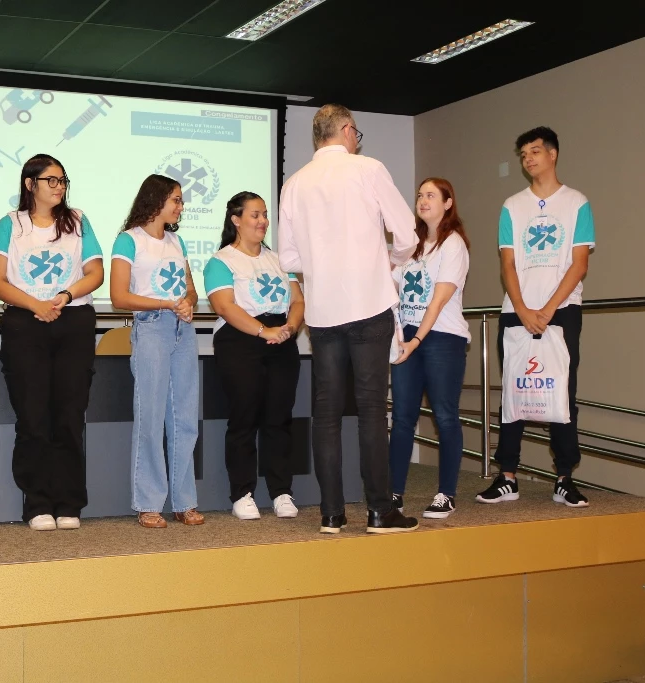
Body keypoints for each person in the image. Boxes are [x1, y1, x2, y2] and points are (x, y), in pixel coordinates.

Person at [278, 103, 420, 534]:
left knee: (326, 413)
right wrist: (390, 260)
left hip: (323, 312)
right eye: (356, 133)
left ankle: (331, 513)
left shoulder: (294, 184)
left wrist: (321, 265)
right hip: (369, 304)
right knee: (372, 410)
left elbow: (289, 258)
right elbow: (407, 233)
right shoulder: (368, 168)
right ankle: (379, 511)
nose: (357, 140)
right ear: (346, 130)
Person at [475, 126, 595, 508]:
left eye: (535, 151)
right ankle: (507, 476)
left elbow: (579, 264)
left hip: (563, 312)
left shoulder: (577, 203)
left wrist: (548, 309)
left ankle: (564, 478)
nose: (528, 158)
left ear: (553, 154)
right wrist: (524, 310)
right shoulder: (512, 206)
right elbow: (507, 264)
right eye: (524, 154)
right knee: (514, 392)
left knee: (561, 393)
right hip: (516, 312)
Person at [0, 154, 104, 531]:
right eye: (51, 180)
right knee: (33, 416)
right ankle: (37, 502)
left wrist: (65, 296)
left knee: (69, 416)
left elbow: (95, 272)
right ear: (29, 184)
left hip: (73, 320)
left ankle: (69, 501)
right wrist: (36, 304)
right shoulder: (11, 224)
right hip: (26, 322)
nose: (59, 187)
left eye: (63, 180)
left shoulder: (78, 221)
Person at [204, 191, 305, 521]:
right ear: (236, 220)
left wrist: (290, 326)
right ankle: (242, 492)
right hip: (240, 341)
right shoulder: (221, 261)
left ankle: (281, 491)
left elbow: (298, 300)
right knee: (244, 418)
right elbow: (225, 307)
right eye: (255, 215)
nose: (263, 221)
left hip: (281, 339)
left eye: (264, 215)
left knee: (279, 418)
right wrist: (264, 331)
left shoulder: (280, 259)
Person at [110, 174, 204, 529]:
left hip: (183, 330)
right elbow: (119, 296)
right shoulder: (129, 240)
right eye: (176, 199)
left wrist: (188, 302)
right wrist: (165, 303)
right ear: (156, 200)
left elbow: (191, 289)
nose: (181, 206)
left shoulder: (177, 241)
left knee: (184, 419)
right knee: (150, 417)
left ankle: (184, 501)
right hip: (151, 328)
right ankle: (148, 503)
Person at [388, 178, 471, 519]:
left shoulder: (454, 244)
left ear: (448, 203)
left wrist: (416, 340)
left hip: (442, 338)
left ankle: (446, 494)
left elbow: (438, 301)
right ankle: (393, 493)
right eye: (420, 195)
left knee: (445, 415)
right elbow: (389, 288)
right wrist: (400, 336)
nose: (423, 200)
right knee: (402, 418)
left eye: (431, 195)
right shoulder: (411, 245)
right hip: (408, 337)